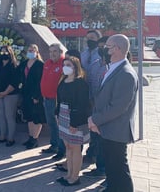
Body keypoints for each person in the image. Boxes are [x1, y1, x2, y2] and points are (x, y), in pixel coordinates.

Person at [88, 34, 138, 192]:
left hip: (116, 131)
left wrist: (95, 120)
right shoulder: (113, 68)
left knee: (119, 170)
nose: (103, 50)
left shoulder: (125, 74)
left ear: (117, 49)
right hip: (107, 129)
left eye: (107, 47)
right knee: (112, 168)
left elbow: (118, 107)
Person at [55, 57, 91, 187]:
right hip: (63, 117)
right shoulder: (63, 81)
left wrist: (74, 123)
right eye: (64, 64)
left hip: (75, 119)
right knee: (68, 148)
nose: (65, 67)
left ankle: (75, 177)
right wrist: (56, 114)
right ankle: (68, 174)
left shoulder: (80, 83)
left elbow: (82, 105)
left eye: (68, 65)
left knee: (75, 148)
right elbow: (58, 100)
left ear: (75, 67)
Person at [83, 36, 109, 177]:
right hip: (92, 107)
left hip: (104, 110)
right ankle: (97, 164)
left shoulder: (111, 67)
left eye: (104, 47)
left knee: (103, 140)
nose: (101, 50)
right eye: (99, 47)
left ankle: (103, 169)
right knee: (95, 138)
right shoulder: (95, 63)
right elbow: (90, 83)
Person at [0, 46, 20, 147]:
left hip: (10, 95)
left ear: (10, 53)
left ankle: (10, 138)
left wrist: (5, 93)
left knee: (9, 116)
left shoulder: (14, 65)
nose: (3, 54)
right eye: (2, 52)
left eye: (6, 52)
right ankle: (2, 136)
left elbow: (14, 82)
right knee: (1, 116)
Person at [40, 43, 65, 160]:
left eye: (55, 51)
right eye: (50, 51)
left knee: (59, 125)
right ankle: (54, 145)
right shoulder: (47, 63)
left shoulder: (64, 64)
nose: (52, 54)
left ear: (60, 52)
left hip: (57, 100)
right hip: (47, 98)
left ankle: (61, 149)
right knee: (51, 123)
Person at [19, 44, 46, 149]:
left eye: (33, 50)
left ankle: (35, 139)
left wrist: (37, 96)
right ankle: (30, 137)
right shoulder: (24, 63)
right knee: (29, 117)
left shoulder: (40, 65)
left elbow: (41, 81)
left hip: (36, 95)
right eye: (29, 50)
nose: (31, 52)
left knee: (37, 118)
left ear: (37, 52)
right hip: (26, 94)